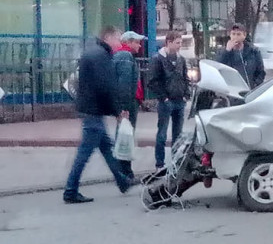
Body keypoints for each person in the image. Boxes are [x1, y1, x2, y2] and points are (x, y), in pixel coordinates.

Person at [63, 26, 133, 204]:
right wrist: (117, 111)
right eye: (118, 38)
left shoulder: (94, 53)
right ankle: (70, 191)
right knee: (84, 154)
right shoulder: (101, 56)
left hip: (91, 109)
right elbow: (105, 87)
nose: (120, 42)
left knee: (107, 148)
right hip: (93, 111)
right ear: (108, 37)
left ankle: (122, 181)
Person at [148, 31, 190, 170]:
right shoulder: (158, 59)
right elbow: (152, 81)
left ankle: (175, 162)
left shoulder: (181, 59)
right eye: (177, 43)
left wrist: (186, 94)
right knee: (162, 133)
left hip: (179, 100)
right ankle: (159, 164)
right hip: (166, 101)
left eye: (180, 43)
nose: (179, 46)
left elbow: (186, 78)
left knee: (178, 135)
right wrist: (163, 97)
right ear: (169, 42)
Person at [113, 31, 146, 181]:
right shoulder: (126, 57)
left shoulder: (123, 56)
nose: (139, 45)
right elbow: (125, 84)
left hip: (127, 102)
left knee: (124, 134)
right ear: (129, 42)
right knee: (125, 136)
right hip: (128, 103)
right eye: (137, 42)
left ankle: (123, 170)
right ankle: (124, 171)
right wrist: (125, 107)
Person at [217, 23, 266, 88]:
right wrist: (227, 51)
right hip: (231, 90)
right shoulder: (223, 52)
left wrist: (255, 85)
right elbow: (218, 67)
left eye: (238, 34)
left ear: (244, 35)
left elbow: (261, 72)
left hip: (249, 89)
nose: (235, 37)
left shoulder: (253, 51)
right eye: (233, 34)